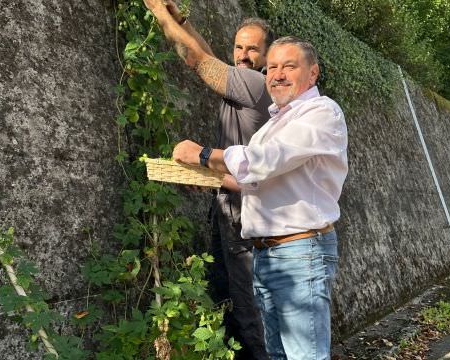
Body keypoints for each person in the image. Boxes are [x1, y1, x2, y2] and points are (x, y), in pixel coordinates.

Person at [172, 36, 348, 360]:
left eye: (289, 66)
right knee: (277, 354)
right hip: (269, 254)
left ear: (313, 73)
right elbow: (257, 181)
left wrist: (203, 154)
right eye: (273, 67)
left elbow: (264, 159)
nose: (277, 74)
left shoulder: (321, 112)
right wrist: (213, 180)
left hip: (299, 252)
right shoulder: (276, 122)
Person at [142, 1, 272, 359]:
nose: (243, 55)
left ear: (265, 58)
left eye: (252, 49)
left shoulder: (256, 84)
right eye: (239, 47)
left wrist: (159, 13)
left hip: (247, 221)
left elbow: (198, 60)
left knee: (250, 314)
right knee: (229, 303)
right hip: (228, 212)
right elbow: (211, 56)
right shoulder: (241, 82)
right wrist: (181, 17)